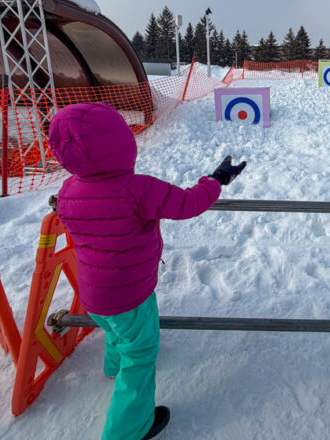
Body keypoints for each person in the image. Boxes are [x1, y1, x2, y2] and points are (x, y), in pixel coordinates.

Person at [48, 102, 247, 440]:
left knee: (116, 331)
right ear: (120, 144)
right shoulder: (137, 189)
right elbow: (188, 203)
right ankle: (127, 430)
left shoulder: (68, 191)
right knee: (140, 355)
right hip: (132, 293)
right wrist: (216, 180)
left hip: (93, 293)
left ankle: (113, 366)